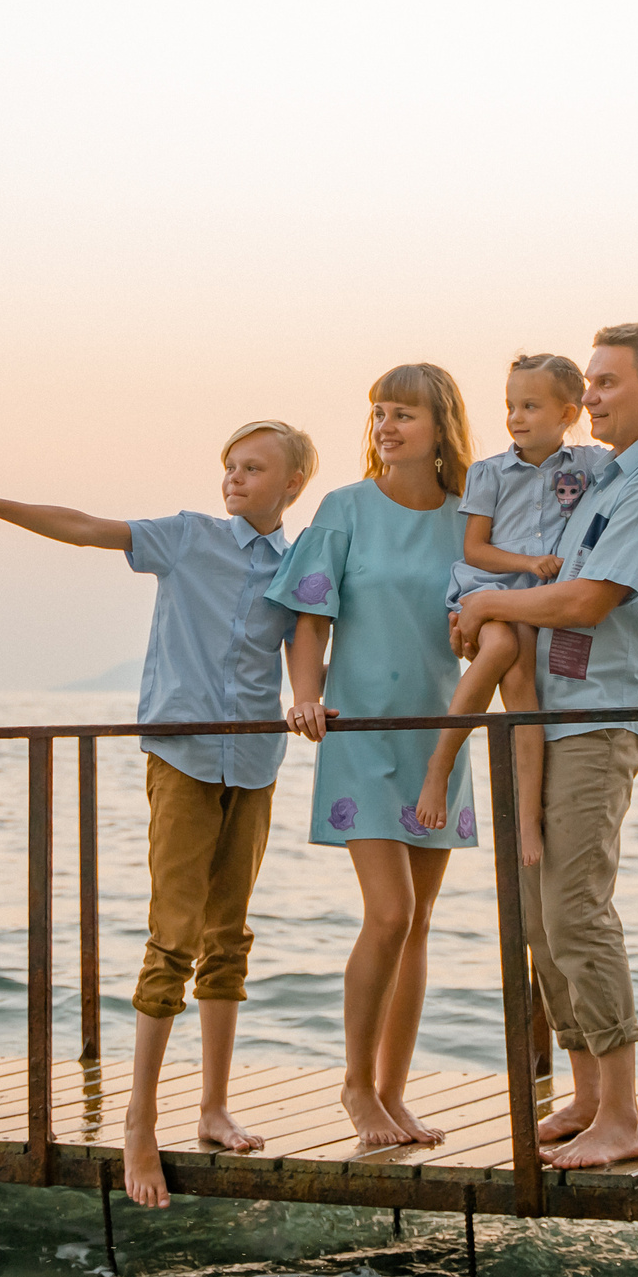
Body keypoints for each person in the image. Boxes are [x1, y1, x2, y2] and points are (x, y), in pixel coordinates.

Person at [0, 418, 317, 1208]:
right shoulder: (186, 537)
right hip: (183, 759)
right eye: (229, 465)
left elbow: (307, 639)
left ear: (292, 482)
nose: (234, 478)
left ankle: (214, 1107)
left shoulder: (300, 562)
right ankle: (139, 1117)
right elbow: (86, 527)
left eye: (253, 468)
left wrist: (308, 699)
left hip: (256, 764)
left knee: (229, 936)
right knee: (174, 938)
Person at [450, 323, 638, 1170]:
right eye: (589, 383)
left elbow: (586, 600)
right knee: (537, 912)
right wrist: (486, 609)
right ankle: (589, 1093)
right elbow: (544, 577)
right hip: (548, 715)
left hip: (600, 715)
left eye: (607, 383)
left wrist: (490, 609)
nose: (591, 396)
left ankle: (624, 1115)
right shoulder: (608, 479)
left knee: (574, 907)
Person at [267, 363, 475, 1148]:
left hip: (439, 740)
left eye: (405, 415)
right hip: (357, 733)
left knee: (419, 922)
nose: (387, 426)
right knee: (387, 912)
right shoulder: (343, 508)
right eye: (381, 413)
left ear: (440, 427)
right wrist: (307, 694)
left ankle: (393, 1092)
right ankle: (355, 1087)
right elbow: (308, 618)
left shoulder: (467, 521)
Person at [416, 354, 638, 866]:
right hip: (491, 586)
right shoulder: (490, 473)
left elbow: (634, 465)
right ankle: (440, 766)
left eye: (530, 406)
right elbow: (475, 549)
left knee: (525, 695)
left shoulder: (590, 466)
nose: (516, 417)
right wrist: (527, 563)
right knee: (499, 649)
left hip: (536, 604)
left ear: (568, 414)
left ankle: (525, 822)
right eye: (510, 406)